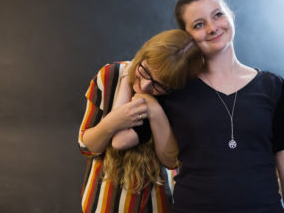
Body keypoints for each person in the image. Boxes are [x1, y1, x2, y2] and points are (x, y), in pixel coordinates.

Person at [155, 0, 284, 212]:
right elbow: (158, 154)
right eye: (199, 24)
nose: (213, 28)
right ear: (187, 37)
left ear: (230, 15)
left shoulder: (273, 87)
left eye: (218, 15)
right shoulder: (175, 90)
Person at [78, 29, 204, 213]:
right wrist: (114, 120)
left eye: (160, 85)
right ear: (142, 55)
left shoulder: (178, 95)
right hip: (102, 203)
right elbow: (85, 146)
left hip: (155, 203)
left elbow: (171, 161)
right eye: (144, 71)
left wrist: (154, 109)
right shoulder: (109, 76)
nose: (145, 86)